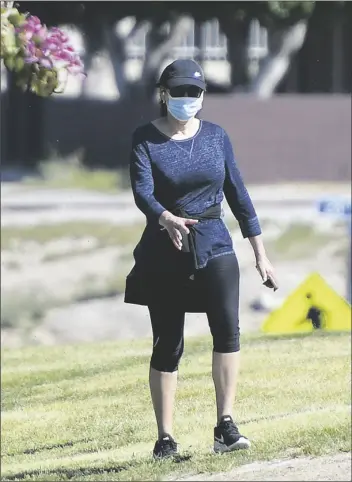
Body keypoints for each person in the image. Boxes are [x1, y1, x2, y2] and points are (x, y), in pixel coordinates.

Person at [125, 59, 278, 459]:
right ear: (164, 94)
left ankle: (225, 426)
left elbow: (238, 195)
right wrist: (165, 217)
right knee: (168, 343)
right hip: (166, 246)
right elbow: (142, 192)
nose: (187, 99)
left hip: (215, 242)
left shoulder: (216, 136)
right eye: (179, 92)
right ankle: (165, 439)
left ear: (203, 97)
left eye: (195, 93)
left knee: (228, 330)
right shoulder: (145, 139)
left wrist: (260, 253)